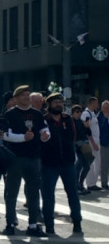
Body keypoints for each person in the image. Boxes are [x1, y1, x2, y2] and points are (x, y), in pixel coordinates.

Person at [0, 85, 50, 237]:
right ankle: (10, 223)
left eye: (28, 95)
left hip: (33, 157)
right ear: (16, 98)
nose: (26, 97)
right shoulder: (10, 114)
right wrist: (22, 138)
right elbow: (4, 135)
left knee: (34, 193)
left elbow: (44, 129)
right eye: (23, 95)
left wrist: (45, 135)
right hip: (15, 158)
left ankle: (33, 225)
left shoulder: (36, 114)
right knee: (12, 193)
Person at [41, 92, 82, 235]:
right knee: (48, 196)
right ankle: (49, 225)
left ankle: (77, 222)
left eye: (60, 102)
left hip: (67, 163)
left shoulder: (67, 119)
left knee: (73, 194)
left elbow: (73, 136)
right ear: (49, 104)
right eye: (55, 102)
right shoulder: (43, 119)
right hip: (49, 164)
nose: (59, 104)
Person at [81, 97, 101, 191]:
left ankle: (93, 182)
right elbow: (87, 129)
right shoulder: (86, 114)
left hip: (96, 141)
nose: (97, 105)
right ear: (91, 103)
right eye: (96, 103)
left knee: (96, 163)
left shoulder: (92, 113)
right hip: (91, 142)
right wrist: (93, 143)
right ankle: (90, 184)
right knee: (91, 163)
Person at [98, 101, 109, 189]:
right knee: (104, 165)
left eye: (107, 107)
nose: (106, 109)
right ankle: (104, 183)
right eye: (105, 107)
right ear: (102, 108)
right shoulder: (99, 117)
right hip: (104, 143)